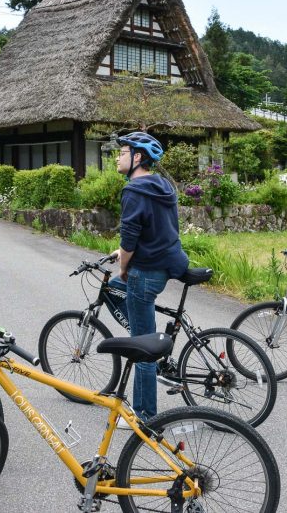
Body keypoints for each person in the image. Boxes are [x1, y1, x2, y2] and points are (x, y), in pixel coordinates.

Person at [108, 131, 189, 423]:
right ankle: (152, 343)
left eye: (123, 151)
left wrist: (123, 264)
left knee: (140, 347)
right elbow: (154, 228)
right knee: (115, 289)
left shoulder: (133, 191)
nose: (117, 156)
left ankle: (144, 416)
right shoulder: (162, 186)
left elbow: (130, 238)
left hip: (147, 272)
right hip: (170, 262)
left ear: (137, 157)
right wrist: (124, 252)